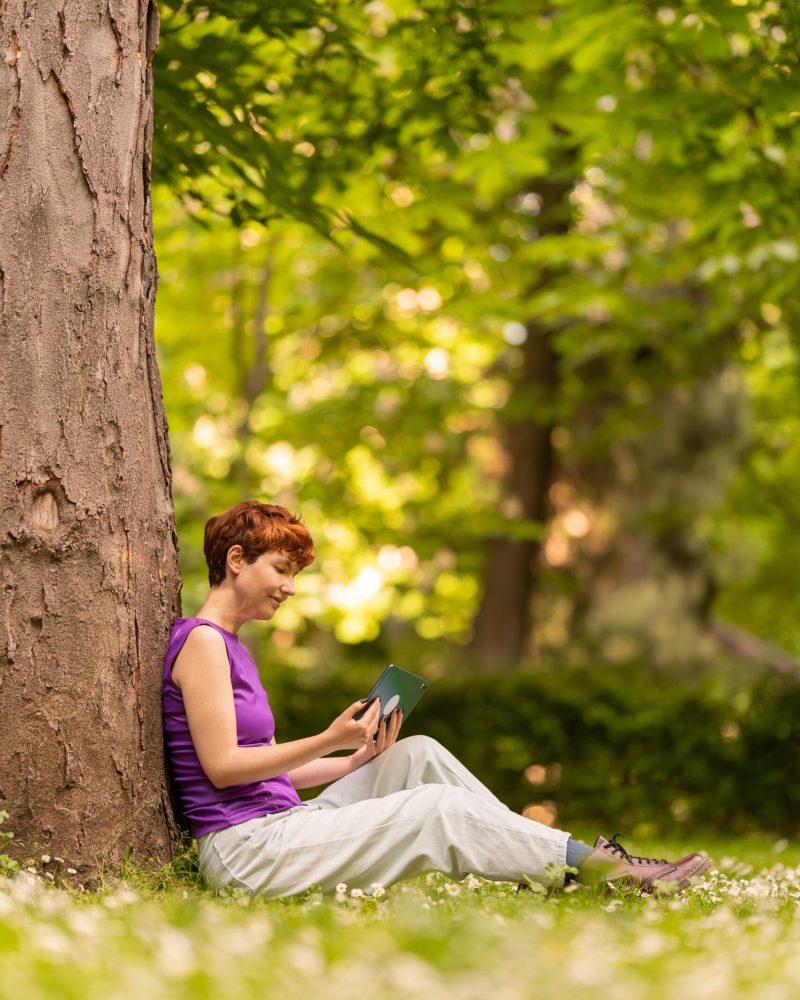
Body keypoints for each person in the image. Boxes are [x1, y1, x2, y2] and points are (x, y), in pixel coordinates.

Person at [162, 500, 711, 898]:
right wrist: (330, 738)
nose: (291, 586)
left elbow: (271, 772)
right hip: (247, 853)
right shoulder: (204, 642)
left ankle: (552, 864)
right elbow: (225, 768)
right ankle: (597, 870)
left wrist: (353, 759)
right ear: (237, 560)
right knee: (437, 809)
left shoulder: (232, 647)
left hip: (278, 824)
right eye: (281, 570)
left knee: (415, 753)